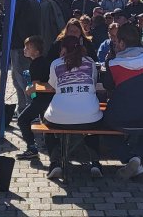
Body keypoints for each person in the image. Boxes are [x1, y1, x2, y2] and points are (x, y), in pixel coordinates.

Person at [102, 22, 143, 179]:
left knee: (104, 128)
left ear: (121, 43)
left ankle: (129, 158)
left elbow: (107, 86)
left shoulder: (113, 63)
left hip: (120, 117)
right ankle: (138, 157)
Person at [42, 35, 104, 180]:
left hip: (58, 117)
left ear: (63, 48)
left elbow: (52, 86)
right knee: (92, 126)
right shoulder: (90, 63)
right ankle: (95, 163)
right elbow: (93, 84)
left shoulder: (56, 63)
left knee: (45, 122)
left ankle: (55, 162)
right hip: (89, 117)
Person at [15, 36, 53, 161]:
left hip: (42, 99)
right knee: (46, 124)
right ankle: (51, 148)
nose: (24, 49)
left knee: (22, 120)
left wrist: (29, 89)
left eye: (28, 47)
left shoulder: (36, 64)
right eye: (25, 47)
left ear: (36, 52)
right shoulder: (43, 61)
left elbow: (37, 85)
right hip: (47, 99)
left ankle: (32, 148)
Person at [10, 0, 41, 114]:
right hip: (30, 43)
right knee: (22, 79)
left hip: (19, 45)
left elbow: (13, 20)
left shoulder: (20, 0)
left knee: (21, 80)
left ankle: (29, 108)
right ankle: (22, 108)